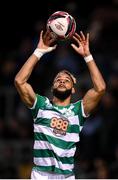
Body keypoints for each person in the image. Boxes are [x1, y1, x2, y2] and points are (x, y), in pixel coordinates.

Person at [14, 29, 106, 179]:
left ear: (73, 89)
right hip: (40, 175)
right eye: (58, 79)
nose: (62, 80)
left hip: (66, 176)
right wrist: (38, 52)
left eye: (67, 80)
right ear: (52, 87)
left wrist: (87, 56)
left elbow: (100, 88)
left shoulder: (78, 110)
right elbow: (19, 81)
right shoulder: (41, 105)